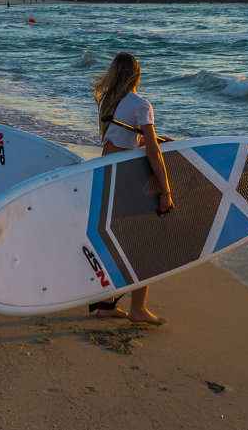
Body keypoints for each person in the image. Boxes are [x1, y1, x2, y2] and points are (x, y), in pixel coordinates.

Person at [90, 52, 174, 325]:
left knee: (118, 242)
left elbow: (122, 141)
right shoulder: (141, 104)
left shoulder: (109, 101)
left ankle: (106, 305)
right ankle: (138, 309)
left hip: (107, 175)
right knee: (143, 245)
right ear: (137, 75)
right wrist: (166, 191)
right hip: (127, 179)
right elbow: (152, 152)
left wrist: (157, 139)